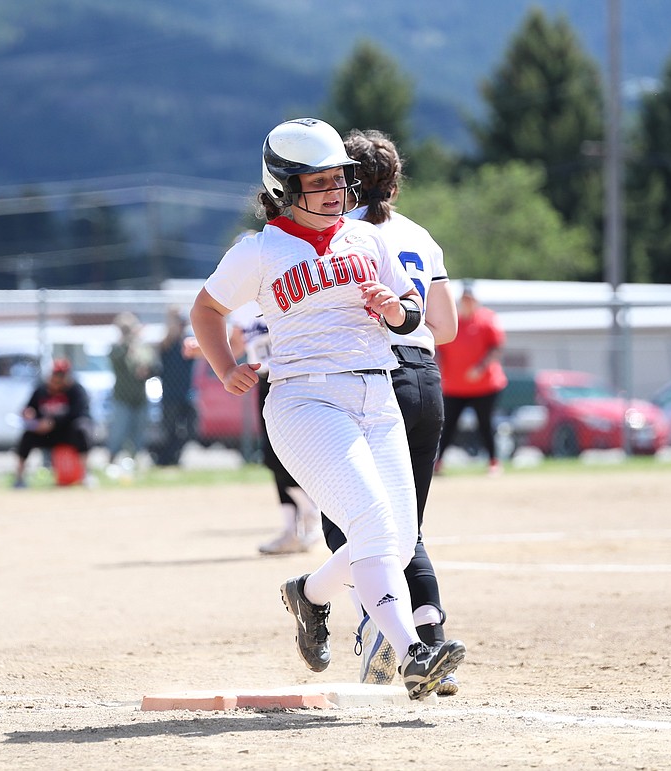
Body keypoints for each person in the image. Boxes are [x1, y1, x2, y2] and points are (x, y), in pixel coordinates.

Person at [189, 117, 465, 700]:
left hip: (377, 391)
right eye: (317, 181)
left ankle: (311, 595)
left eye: (339, 178)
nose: (335, 191)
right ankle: (414, 652)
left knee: (396, 533)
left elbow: (417, 318)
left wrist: (396, 311)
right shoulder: (259, 250)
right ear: (283, 188)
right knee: (370, 523)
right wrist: (225, 366)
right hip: (305, 398)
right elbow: (205, 310)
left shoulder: (368, 239)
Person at [322, 128, 463, 696]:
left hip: (368, 376)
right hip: (423, 378)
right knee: (407, 526)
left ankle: (382, 627)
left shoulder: (338, 236)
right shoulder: (418, 237)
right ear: (395, 182)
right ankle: (429, 636)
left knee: (351, 523)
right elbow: (446, 326)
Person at [226, 299, 322, 555]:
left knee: (278, 455)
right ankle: (291, 531)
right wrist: (202, 348)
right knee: (274, 454)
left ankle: (313, 513)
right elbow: (236, 345)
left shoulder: (281, 287)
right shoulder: (242, 305)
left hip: (292, 379)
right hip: (264, 380)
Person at [435, 281, 508, 475]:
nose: (468, 302)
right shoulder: (454, 321)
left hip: (484, 385)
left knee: (485, 423)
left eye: (471, 299)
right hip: (454, 385)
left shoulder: (487, 319)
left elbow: (496, 347)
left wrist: (480, 368)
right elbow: (439, 349)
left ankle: (493, 461)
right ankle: (438, 463)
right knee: (447, 424)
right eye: (465, 299)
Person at [12, 358, 94, 488]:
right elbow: (29, 408)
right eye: (56, 375)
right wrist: (29, 413)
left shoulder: (76, 390)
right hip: (48, 434)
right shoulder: (42, 390)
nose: (58, 379)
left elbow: (77, 413)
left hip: (68, 432)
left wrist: (52, 422)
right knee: (27, 436)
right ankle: (19, 478)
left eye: (61, 376)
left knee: (81, 430)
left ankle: (86, 475)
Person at [106, 311, 153, 468]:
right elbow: (118, 360)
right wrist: (128, 342)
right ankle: (111, 460)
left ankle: (136, 460)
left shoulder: (142, 347)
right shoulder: (117, 347)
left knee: (138, 431)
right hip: (122, 397)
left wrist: (145, 368)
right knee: (119, 431)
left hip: (139, 397)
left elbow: (151, 365)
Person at [153, 307, 194, 467]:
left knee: (191, 429)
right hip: (170, 394)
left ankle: (173, 456)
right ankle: (167, 460)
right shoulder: (167, 343)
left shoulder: (187, 341)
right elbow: (162, 348)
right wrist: (172, 324)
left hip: (186, 393)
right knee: (169, 430)